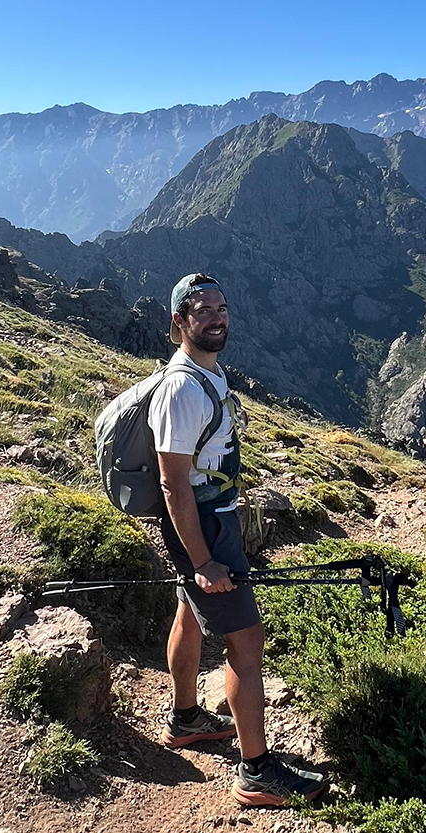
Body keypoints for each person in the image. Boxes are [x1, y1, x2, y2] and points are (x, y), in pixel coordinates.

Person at [148, 272, 327, 807]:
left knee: (188, 614)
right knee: (246, 647)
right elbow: (172, 483)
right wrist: (203, 559)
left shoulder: (210, 373)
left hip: (213, 523)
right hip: (202, 530)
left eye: (222, 307)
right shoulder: (182, 388)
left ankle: (184, 720)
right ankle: (255, 771)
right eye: (202, 310)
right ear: (179, 321)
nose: (217, 317)